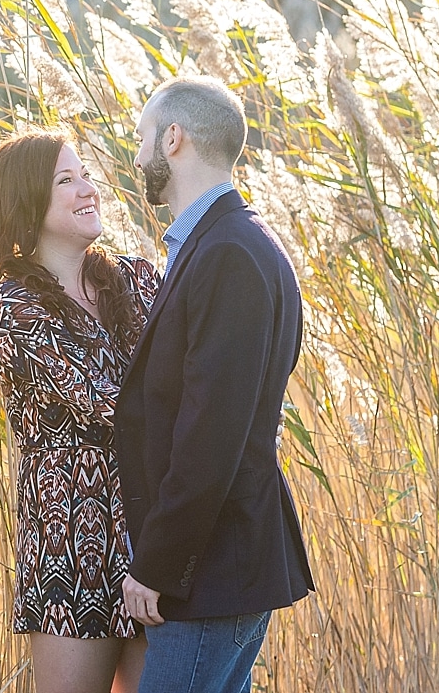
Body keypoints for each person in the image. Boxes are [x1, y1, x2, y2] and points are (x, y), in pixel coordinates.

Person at [114, 76, 314, 693]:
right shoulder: (226, 243)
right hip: (219, 565)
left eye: (143, 138)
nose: (138, 153)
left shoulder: (227, 252)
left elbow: (211, 433)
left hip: (211, 569)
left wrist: (159, 563)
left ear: (173, 139)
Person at [0, 131, 162, 693]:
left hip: (152, 537)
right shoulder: (14, 307)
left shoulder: (138, 279)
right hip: (70, 543)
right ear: (27, 202)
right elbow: (106, 401)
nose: (88, 189)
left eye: (84, 174)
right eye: (66, 180)